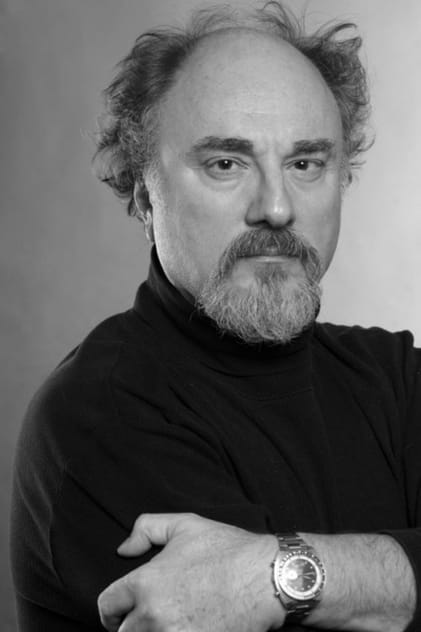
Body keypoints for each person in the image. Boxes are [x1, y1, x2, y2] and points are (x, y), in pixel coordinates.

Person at [10, 2, 421, 631]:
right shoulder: (101, 419)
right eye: (226, 163)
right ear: (145, 194)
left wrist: (279, 577)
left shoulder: (395, 377)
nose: (277, 208)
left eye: (305, 163)